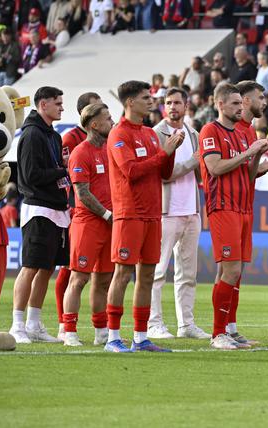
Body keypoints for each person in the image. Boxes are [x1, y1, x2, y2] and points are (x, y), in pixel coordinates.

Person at [103, 80, 182, 353]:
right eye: (145, 98)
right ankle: (112, 337)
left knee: (147, 275)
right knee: (123, 273)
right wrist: (164, 153)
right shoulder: (118, 134)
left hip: (152, 213)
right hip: (129, 213)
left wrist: (170, 152)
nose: (151, 102)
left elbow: (164, 172)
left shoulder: (149, 133)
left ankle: (140, 336)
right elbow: (132, 172)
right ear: (130, 103)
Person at [199, 83, 268, 350]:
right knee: (230, 269)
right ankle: (217, 333)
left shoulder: (245, 133)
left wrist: (259, 157)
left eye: (239, 103)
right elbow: (215, 167)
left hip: (244, 207)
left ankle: (229, 329)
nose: (239, 107)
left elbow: (248, 173)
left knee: (236, 270)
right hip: (223, 206)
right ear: (219, 104)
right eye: (234, 103)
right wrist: (248, 152)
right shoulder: (211, 131)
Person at [145, 87, 210, 340]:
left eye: (177, 103)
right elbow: (164, 173)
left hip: (191, 210)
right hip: (166, 211)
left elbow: (199, 174)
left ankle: (187, 324)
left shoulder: (193, 134)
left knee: (187, 274)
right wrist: (195, 161)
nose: (172, 107)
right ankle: (154, 323)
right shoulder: (155, 134)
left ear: (186, 106)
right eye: (168, 103)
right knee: (158, 271)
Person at [7, 88, 70, 345]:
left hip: (55, 208)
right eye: (58, 104)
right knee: (30, 267)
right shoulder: (32, 134)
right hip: (38, 208)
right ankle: (17, 324)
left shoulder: (53, 136)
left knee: (46, 268)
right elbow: (32, 175)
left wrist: (59, 171)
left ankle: (34, 323)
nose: (62, 108)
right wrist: (61, 170)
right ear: (43, 105)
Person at [61, 103, 116, 347]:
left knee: (103, 280)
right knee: (79, 278)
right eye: (107, 118)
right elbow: (82, 193)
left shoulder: (110, 149)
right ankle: (69, 330)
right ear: (94, 124)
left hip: (109, 222)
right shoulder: (80, 153)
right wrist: (106, 214)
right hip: (89, 223)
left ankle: (101, 330)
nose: (112, 121)